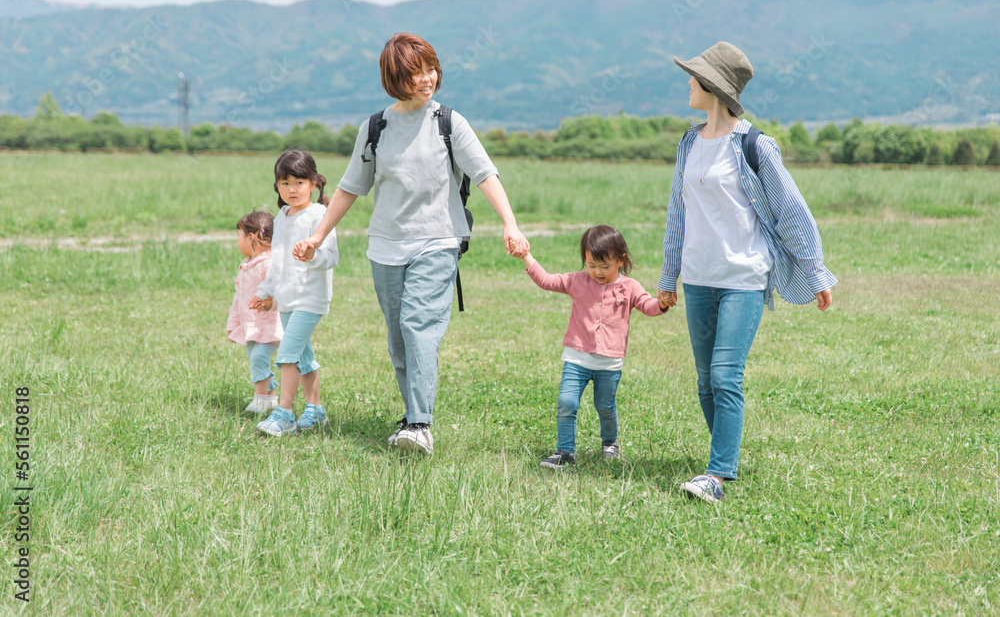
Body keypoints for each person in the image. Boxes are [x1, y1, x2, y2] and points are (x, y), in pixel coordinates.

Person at [292, 32, 529, 455]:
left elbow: (485, 173)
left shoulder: (449, 122)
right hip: (385, 246)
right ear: (394, 78)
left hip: (438, 241)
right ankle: (411, 418)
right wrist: (317, 235)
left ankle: (420, 423)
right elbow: (349, 187)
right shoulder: (376, 127)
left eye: (430, 68)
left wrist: (509, 224)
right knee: (399, 338)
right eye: (415, 72)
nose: (427, 78)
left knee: (418, 325)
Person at [658, 41, 836, 503]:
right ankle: (723, 455)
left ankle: (716, 475)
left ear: (713, 87)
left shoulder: (755, 145)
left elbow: (791, 212)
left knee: (725, 375)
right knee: (703, 378)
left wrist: (815, 271)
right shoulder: (688, 142)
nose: (688, 82)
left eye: (694, 76)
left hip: (743, 278)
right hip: (698, 277)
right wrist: (667, 276)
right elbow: (678, 215)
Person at [519, 225, 669, 469]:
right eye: (591, 265)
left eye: (605, 266)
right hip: (576, 358)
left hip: (609, 363)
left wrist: (661, 303)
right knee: (567, 403)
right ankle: (565, 452)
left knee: (605, 406)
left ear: (620, 261)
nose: (597, 272)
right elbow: (546, 280)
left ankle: (610, 442)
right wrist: (526, 256)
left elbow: (648, 306)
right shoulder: (577, 280)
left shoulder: (630, 286)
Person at [250, 150, 340, 437]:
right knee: (302, 356)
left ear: (313, 183)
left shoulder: (320, 215)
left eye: (299, 182)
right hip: (287, 300)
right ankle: (315, 410)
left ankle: (285, 414)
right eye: (284, 183)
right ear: (277, 185)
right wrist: (267, 292)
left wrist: (313, 253)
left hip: (310, 299)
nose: (292, 189)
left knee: (287, 355)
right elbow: (279, 262)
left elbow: (331, 258)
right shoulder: (283, 216)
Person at [227, 210, 283, 414]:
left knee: (259, 357)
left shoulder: (269, 264)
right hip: (250, 326)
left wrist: (271, 302)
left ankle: (260, 399)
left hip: (270, 325)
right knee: (255, 358)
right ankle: (270, 397)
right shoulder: (247, 265)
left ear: (251, 237)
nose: (237, 241)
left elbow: (280, 288)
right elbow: (238, 299)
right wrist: (233, 325)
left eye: (238, 236)